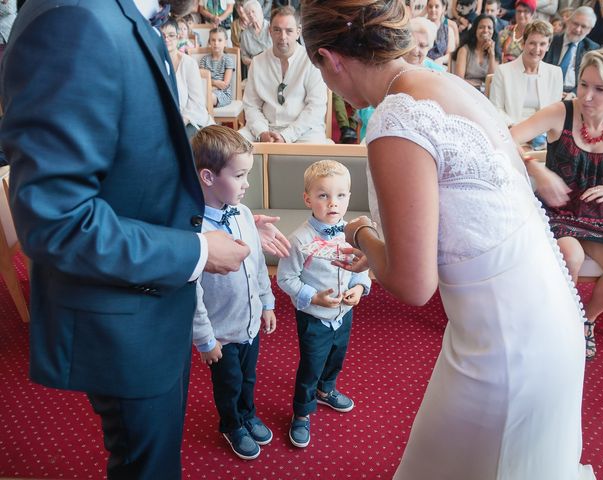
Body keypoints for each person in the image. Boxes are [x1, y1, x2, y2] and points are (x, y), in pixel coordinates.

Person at [300, 0, 595, 478]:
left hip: (502, 343)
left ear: (329, 59)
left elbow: (415, 285)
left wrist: (360, 231)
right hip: (546, 312)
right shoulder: (443, 83)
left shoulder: (395, 121)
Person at [0, 1, 290, 477]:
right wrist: (196, 251)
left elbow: (138, 174)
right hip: (122, 316)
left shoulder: (117, 18)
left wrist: (229, 224)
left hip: (154, 298)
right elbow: (56, 219)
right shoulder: (71, 18)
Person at [511, 47, 603, 360]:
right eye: (583, 84)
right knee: (570, 254)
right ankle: (554, 323)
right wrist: (536, 167)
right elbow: (507, 138)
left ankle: (586, 320)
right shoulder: (561, 112)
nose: (586, 96)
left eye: (600, 89)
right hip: (558, 212)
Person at [191, 125, 276, 461]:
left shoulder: (241, 214)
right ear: (208, 177)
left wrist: (267, 303)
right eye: (240, 175)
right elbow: (192, 293)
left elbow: (256, 266)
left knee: (249, 378)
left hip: (250, 323)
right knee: (228, 384)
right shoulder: (195, 230)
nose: (247, 184)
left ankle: (248, 413)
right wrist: (205, 340)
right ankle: (231, 424)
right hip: (221, 334)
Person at [277, 159, 371, 449]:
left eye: (340, 195)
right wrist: (312, 296)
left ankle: (326, 389)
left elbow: (363, 264)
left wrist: (359, 287)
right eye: (323, 195)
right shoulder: (299, 240)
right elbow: (285, 278)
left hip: (344, 314)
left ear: (349, 198)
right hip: (314, 316)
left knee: (336, 357)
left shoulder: (354, 233)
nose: (333, 203)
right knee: (311, 364)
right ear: (308, 199)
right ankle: (302, 412)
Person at [239, 5, 328, 143]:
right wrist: (262, 132)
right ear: (269, 31)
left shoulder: (311, 61)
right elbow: (251, 105)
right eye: (277, 30)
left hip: (304, 131)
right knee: (233, 146)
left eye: (289, 31)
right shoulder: (257, 62)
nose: (283, 37)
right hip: (265, 128)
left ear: (298, 32)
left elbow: (316, 107)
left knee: (314, 154)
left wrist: (287, 136)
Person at [490, 20, 562, 149]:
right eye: (532, 43)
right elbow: (496, 109)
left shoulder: (555, 73)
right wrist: (518, 130)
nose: (537, 49)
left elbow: (555, 112)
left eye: (542, 44)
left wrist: (539, 133)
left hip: (543, 139)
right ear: (524, 43)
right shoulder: (503, 71)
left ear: (548, 46)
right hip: (510, 135)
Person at [161, 19, 214, 136]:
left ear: (178, 37)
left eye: (171, 35)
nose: (166, 39)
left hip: (191, 118)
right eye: (162, 35)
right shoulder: (155, 62)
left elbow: (196, 101)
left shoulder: (189, 63)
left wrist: (182, 119)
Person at [544, 6, 599, 99]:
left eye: (583, 26)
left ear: (589, 30)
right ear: (568, 21)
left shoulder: (592, 49)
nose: (577, 29)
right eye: (575, 23)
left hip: (574, 95)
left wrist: (574, 94)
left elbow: (592, 80)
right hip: (547, 89)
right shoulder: (551, 40)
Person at [454, 14, 501, 90]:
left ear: (493, 31)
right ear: (475, 30)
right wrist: (479, 86)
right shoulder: (464, 50)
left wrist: (492, 55)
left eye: (489, 28)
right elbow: (459, 81)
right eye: (481, 27)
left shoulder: (495, 52)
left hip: (486, 95)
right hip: (466, 91)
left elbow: (492, 82)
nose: (485, 30)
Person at [199, 27, 235, 108]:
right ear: (209, 42)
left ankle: (205, 119)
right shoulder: (204, 60)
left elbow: (224, 85)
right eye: (213, 40)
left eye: (220, 40)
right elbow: (201, 81)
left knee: (207, 97)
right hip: (206, 90)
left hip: (222, 94)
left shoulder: (228, 60)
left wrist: (210, 84)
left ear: (225, 42)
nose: (216, 43)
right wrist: (215, 83)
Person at [239, 0, 272, 69]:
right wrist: (255, 62)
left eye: (253, 11)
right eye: (248, 13)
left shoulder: (271, 28)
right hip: (254, 67)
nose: (250, 15)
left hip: (272, 65)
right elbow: (244, 57)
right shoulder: (245, 34)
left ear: (260, 11)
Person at [425, 0, 457, 66]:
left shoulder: (448, 30)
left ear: (443, 8)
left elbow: (450, 54)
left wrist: (440, 60)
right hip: (423, 64)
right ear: (427, 8)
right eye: (430, 7)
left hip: (440, 66)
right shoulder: (421, 28)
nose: (433, 9)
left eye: (436, 6)